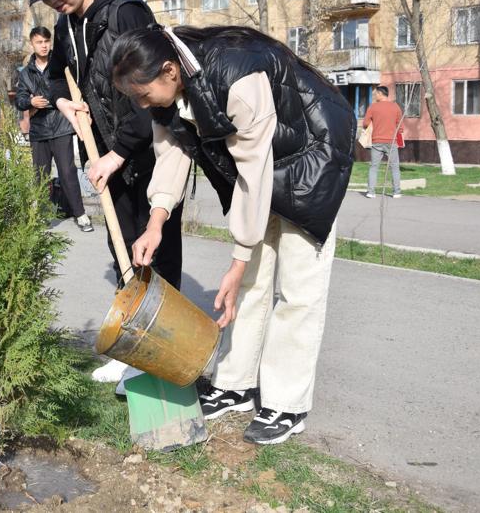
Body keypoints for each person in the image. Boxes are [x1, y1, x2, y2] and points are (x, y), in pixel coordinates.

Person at [111, 24, 355, 445]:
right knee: (248, 285)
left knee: (298, 290)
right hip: (261, 165)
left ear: (170, 71)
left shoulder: (236, 76)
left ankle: (286, 403)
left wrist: (240, 253)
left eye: (141, 93)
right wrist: (155, 222)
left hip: (312, 158)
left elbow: (256, 167)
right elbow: (171, 152)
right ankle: (235, 383)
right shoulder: (168, 94)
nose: (140, 102)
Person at [22, 0, 184, 384]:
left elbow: (148, 92)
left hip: (145, 151)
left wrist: (120, 151)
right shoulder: (65, 23)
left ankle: (164, 350)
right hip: (102, 153)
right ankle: (133, 346)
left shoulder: (125, 12)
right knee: (122, 248)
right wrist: (62, 102)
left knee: (157, 252)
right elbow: (56, 73)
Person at [14, 26, 92, 232]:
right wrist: (30, 100)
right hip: (38, 130)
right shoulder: (25, 73)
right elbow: (19, 99)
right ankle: (39, 217)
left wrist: (45, 102)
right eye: (39, 42)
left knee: (68, 172)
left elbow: (64, 91)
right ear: (32, 43)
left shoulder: (60, 66)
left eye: (46, 41)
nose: (44, 45)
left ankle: (81, 215)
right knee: (40, 174)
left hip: (61, 126)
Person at [363, 86, 403, 199]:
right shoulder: (395, 107)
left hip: (377, 141)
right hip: (392, 141)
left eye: (376, 94)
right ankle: (397, 192)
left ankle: (371, 192)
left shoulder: (373, 107)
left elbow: (365, 123)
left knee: (374, 167)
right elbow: (400, 125)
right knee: (394, 167)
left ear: (381, 94)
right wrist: (398, 132)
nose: (375, 96)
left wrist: (372, 124)